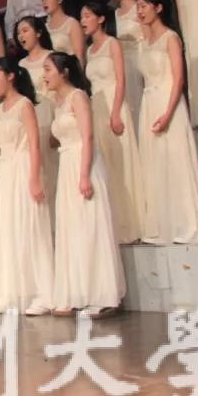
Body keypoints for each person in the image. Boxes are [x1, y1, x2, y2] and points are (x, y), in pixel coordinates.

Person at [135, 0, 198, 244]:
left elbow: (178, 79)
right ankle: (163, 224)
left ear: (158, 8)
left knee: (175, 160)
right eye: (138, 7)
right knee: (155, 163)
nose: (140, 11)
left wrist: (168, 113)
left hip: (167, 102)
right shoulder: (144, 42)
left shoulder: (170, 38)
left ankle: (185, 223)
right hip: (149, 102)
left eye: (144, 6)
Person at [43, 53, 125, 317]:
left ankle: (103, 295)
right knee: (72, 227)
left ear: (64, 72)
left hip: (82, 161)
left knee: (90, 225)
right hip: (66, 164)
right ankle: (76, 291)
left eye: (48, 69)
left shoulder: (78, 97)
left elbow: (88, 136)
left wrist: (84, 174)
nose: (44, 75)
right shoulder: (59, 103)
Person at [0, 58, 53, 315]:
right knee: (8, 229)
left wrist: (35, 178)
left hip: (24, 166)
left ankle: (40, 292)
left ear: (10, 76)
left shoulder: (24, 105)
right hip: (6, 171)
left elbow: (35, 144)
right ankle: (11, 291)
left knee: (29, 227)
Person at [81, 2, 145, 244]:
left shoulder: (112, 44)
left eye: (87, 16)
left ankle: (133, 223)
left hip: (113, 103)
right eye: (82, 17)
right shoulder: (89, 51)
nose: (83, 21)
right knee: (106, 164)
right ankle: (114, 224)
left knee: (121, 163)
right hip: (96, 107)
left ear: (100, 19)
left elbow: (120, 80)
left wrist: (116, 112)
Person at [16, 17, 58, 211]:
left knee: (50, 164)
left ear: (39, 32)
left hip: (50, 114)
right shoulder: (21, 64)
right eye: (18, 32)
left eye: (25, 30)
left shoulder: (51, 57)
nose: (21, 36)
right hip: (29, 117)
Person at [110, 0, 147, 123]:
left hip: (139, 62)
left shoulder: (139, 9)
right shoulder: (114, 14)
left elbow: (148, 38)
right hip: (121, 66)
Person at [41, 0, 85, 67]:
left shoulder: (71, 23)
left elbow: (79, 56)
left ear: (59, 0)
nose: (44, 2)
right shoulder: (44, 27)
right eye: (42, 0)